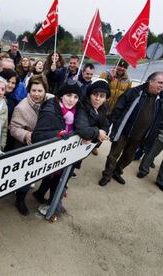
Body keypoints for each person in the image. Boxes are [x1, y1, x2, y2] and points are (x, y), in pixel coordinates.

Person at [32, 80, 93, 218]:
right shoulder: (50, 111)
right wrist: (57, 135)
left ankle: (40, 195)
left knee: (56, 177)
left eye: (76, 97)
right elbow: (37, 136)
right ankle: (53, 207)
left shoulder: (77, 111)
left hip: (65, 154)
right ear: (61, 95)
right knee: (55, 179)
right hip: (53, 154)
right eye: (69, 95)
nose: (72, 100)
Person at [99, 71, 163, 187]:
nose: (162, 86)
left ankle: (117, 172)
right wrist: (113, 125)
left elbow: (161, 119)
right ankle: (107, 175)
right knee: (113, 155)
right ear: (150, 82)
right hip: (124, 132)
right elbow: (118, 109)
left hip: (140, 137)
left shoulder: (162, 100)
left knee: (128, 158)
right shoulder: (134, 92)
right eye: (160, 82)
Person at [9, 74, 53, 215]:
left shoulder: (52, 101)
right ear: (29, 91)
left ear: (45, 90)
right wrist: (26, 134)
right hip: (26, 147)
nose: (37, 94)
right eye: (34, 90)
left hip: (43, 145)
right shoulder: (21, 107)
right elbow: (13, 128)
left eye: (40, 91)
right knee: (26, 175)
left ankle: (38, 193)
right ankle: (20, 199)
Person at [79, 79, 111, 156]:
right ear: (89, 95)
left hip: (86, 144)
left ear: (105, 99)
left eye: (102, 96)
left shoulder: (103, 108)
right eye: (95, 94)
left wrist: (102, 132)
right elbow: (83, 129)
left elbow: (106, 124)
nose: (98, 98)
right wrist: (98, 133)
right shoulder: (82, 106)